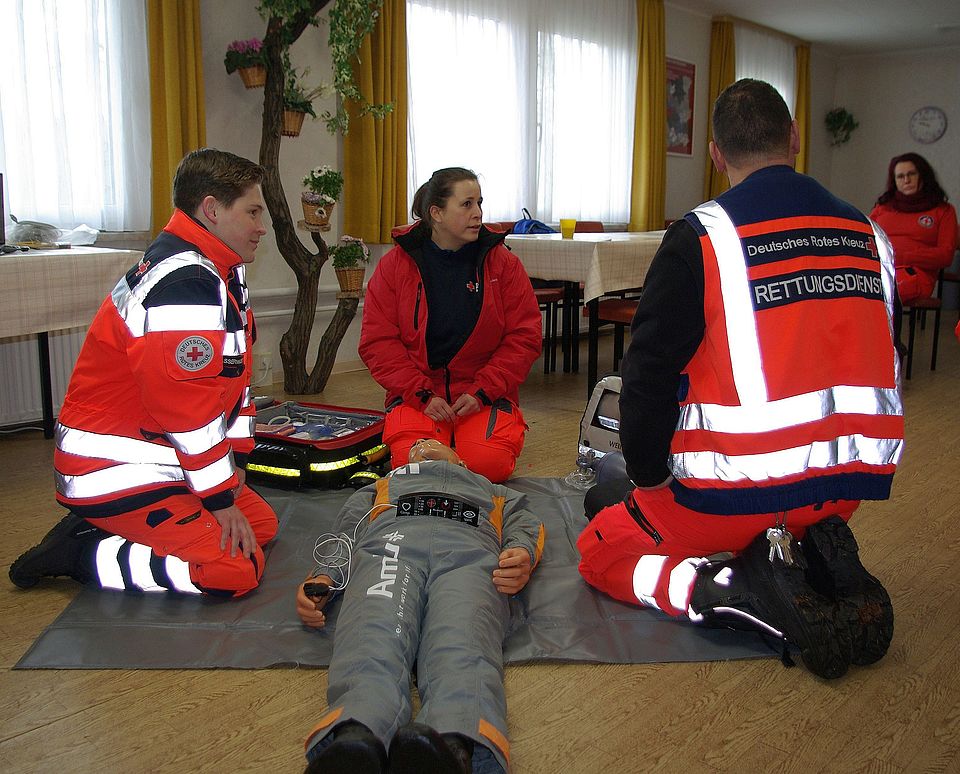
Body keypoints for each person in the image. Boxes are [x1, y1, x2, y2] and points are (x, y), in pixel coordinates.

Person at [577, 79, 904, 680]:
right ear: (795, 138)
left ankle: (724, 589)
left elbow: (646, 377)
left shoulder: (703, 236)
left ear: (715, 153)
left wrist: (649, 478)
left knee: (600, 547)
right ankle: (801, 554)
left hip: (730, 499)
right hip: (842, 492)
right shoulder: (870, 235)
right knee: (618, 492)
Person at [9, 148, 278, 597]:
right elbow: (189, 411)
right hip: (114, 472)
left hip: (164, 458)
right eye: (252, 212)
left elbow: (235, 381)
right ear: (212, 210)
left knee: (262, 527)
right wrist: (218, 496)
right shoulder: (185, 282)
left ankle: (107, 530)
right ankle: (80, 554)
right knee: (236, 571)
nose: (261, 226)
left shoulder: (220, 269)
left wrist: (237, 463)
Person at [296, 439, 544, 773]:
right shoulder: (380, 486)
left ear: (461, 460)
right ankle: (356, 734)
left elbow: (526, 523)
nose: (421, 445)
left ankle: (455, 746)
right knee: (373, 631)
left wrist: (521, 552)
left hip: (469, 557)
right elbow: (345, 532)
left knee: (462, 640)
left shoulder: (494, 491)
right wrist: (325, 575)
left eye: (431, 441)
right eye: (415, 446)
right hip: (390, 548)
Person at [358, 167, 542, 484]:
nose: (478, 213)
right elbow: (378, 343)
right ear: (437, 213)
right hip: (419, 396)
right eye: (467, 204)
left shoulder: (503, 264)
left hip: (482, 394)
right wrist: (421, 395)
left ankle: (461, 455)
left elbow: (524, 337)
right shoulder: (394, 267)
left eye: (479, 203)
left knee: (488, 466)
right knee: (415, 467)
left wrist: (483, 390)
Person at [870, 152, 957, 305]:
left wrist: (901, 257)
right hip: (877, 268)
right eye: (900, 176)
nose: (906, 180)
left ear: (923, 176)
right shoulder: (882, 208)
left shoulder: (943, 210)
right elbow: (865, 238)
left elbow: (945, 255)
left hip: (915, 275)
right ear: (894, 181)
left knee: (876, 292)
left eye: (911, 174)